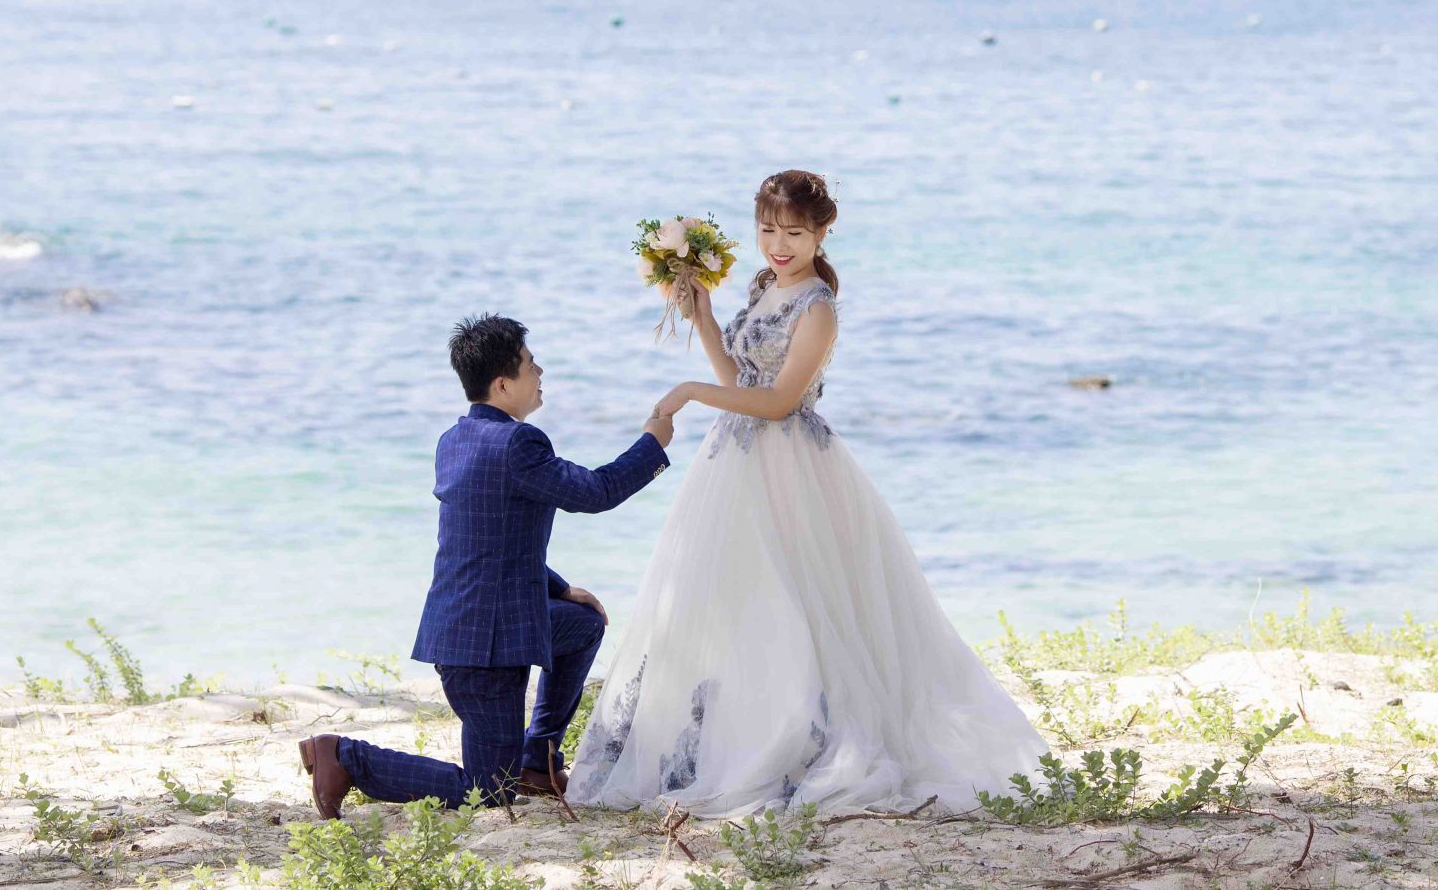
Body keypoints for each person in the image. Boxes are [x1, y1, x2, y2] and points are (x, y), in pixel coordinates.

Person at [565, 170, 1048, 816]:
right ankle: (721, 738)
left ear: (822, 233)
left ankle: (800, 740)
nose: (778, 245)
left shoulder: (817, 307)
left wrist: (687, 393)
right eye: (768, 230)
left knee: (793, 606)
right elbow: (739, 377)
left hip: (790, 466)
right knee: (730, 603)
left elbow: (778, 401)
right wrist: (703, 316)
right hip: (734, 464)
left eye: (794, 233)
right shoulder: (764, 285)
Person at [299, 314, 675, 817]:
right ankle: (344, 756)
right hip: (484, 651)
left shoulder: (454, 439)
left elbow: (485, 540)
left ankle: (538, 762)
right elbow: (596, 492)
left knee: (583, 623)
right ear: (502, 384)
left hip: (474, 627)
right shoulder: (519, 444)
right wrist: (653, 443)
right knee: (489, 792)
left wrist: (560, 589)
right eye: (531, 364)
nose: (540, 372)